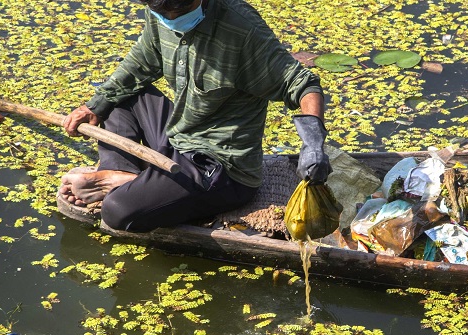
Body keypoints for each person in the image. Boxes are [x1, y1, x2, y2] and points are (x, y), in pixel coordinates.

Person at [59, 0, 331, 231]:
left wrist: (313, 143)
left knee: (117, 211)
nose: (171, 19)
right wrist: (94, 106)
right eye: (163, 14)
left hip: (221, 167)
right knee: (120, 97)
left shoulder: (241, 30)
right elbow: (141, 62)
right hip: (178, 136)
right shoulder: (161, 11)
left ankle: (116, 184)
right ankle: (122, 173)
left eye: (179, 11)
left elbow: (302, 84)